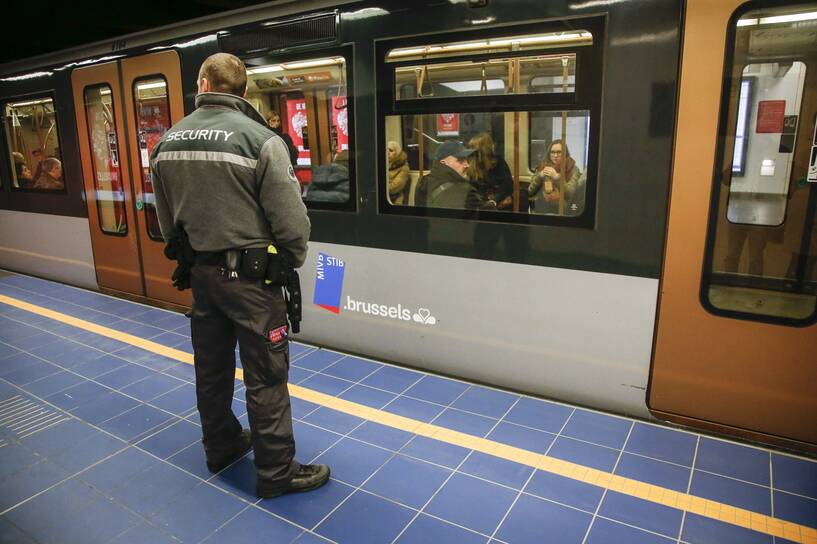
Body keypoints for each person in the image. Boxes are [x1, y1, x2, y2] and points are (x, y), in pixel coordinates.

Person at [150, 53, 329, 499]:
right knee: (265, 375)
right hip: (253, 284)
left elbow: (166, 224)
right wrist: (288, 259)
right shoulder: (261, 141)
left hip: (203, 279)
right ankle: (276, 472)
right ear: (244, 92)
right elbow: (292, 224)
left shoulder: (167, 142)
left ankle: (222, 446)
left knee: (210, 369)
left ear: (202, 83)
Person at [418, 140, 493, 210]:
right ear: (443, 163)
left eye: (466, 160)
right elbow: (491, 218)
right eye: (460, 160)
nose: (467, 165)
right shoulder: (465, 192)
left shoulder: (422, 183)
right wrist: (492, 204)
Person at [528, 139, 584, 215]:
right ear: (549, 153)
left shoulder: (573, 169)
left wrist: (557, 177)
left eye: (559, 152)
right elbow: (530, 191)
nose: (555, 155)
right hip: (541, 209)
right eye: (552, 152)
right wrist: (539, 176)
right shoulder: (543, 167)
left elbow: (570, 194)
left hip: (563, 211)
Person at [467, 133, 514, 210]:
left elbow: (507, 186)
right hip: (481, 205)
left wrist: (494, 201)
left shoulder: (498, 163)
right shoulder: (469, 166)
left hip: (497, 203)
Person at [387, 140, 410, 205]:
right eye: (386, 150)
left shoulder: (404, 168)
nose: (387, 153)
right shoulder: (384, 164)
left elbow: (394, 188)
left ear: (397, 153)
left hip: (395, 200)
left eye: (391, 150)